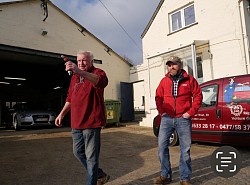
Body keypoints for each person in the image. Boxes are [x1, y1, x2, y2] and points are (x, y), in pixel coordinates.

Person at [55, 51, 110, 185]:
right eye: (79, 61)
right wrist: (61, 114)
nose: (81, 63)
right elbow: (70, 98)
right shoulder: (74, 76)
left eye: (84, 60)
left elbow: (101, 82)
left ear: (91, 61)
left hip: (92, 123)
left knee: (91, 158)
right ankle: (100, 174)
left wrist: (78, 70)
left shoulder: (98, 72)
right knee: (78, 152)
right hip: (76, 123)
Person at [154, 56, 202, 185]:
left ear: (179, 65)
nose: (171, 67)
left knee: (185, 150)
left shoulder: (190, 80)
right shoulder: (164, 81)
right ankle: (165, 175)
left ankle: (184, 178)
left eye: (174, 64)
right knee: (162, 147)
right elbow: (158, 97)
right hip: (167, 118)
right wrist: (162, 112)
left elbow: (198, 96)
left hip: (183, 119)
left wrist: (189, 113)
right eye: (169, 65)